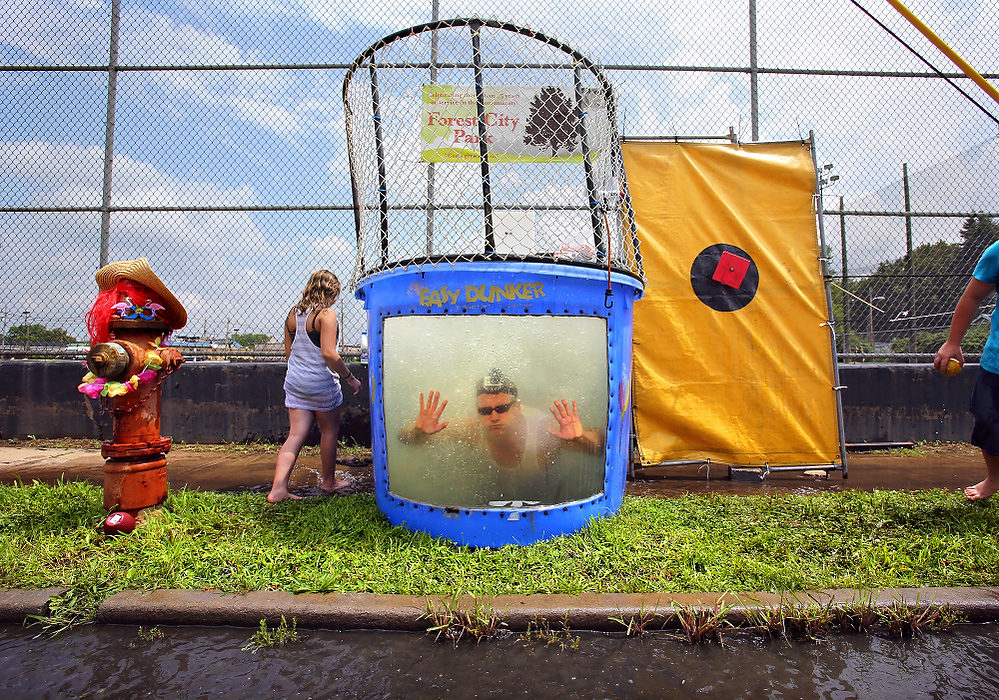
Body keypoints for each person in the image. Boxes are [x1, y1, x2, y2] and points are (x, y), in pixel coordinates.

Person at [398, 369, 602, 501]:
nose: (493, 417)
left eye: (502, 408)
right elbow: (404, 437)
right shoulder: (471, 428)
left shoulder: (541, 428)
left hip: (544, 502)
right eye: (485, 411)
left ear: (517, 407)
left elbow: (599, 445)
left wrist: (580, 437)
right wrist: (419, 432)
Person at [268, 270, 362, 503]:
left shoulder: (293, 313)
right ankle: (329, 482)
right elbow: (329, 353)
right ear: (332, 292)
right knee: (329, 431)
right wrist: (350, 377)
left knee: (295, 435)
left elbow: (290, 354)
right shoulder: (326, 314)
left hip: (295, 383)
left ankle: (278, 489)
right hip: (320, 384)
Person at [935, 241, 999, 501]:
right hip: (997, 362)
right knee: (987, 420)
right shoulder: (996, 251)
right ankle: (994, 479)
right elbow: (972, 296)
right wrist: (953, 342)